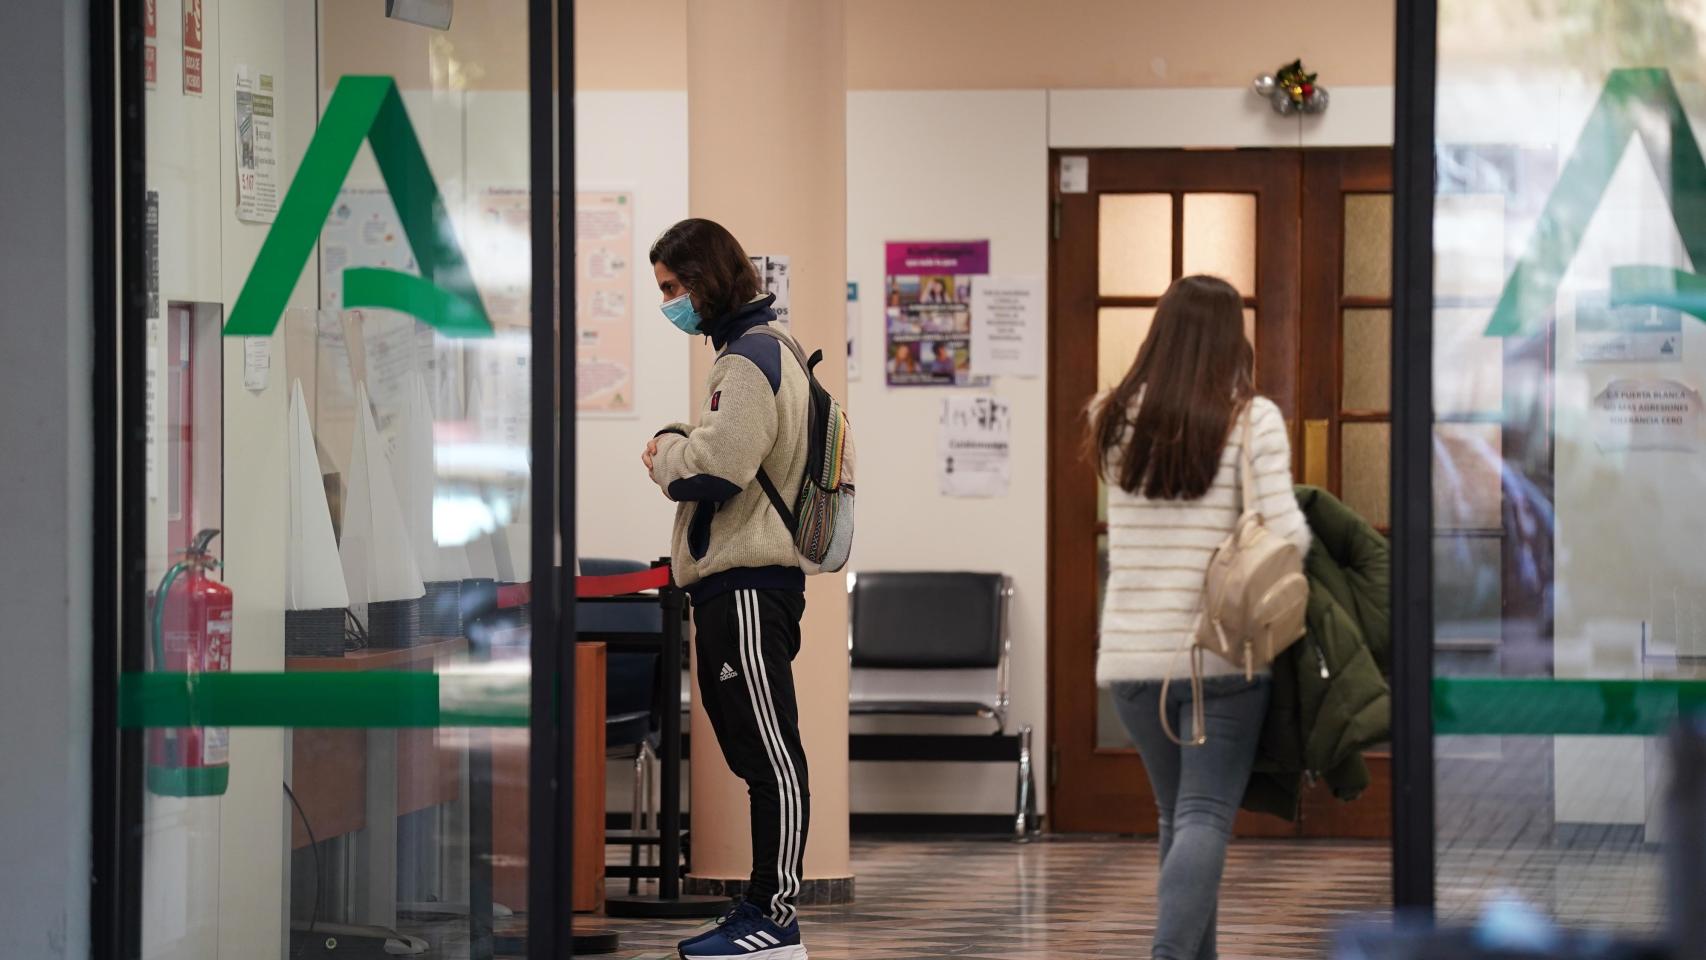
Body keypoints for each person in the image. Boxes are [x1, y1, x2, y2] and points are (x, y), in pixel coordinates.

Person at [1087, 275, 1310, 960]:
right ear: (1230, 339)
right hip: (1218, 658)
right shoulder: (1252, 419)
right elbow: (1289, 534)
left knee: (1176, 817)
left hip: (1130, 658)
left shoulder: (1113, 416)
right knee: (1206, 815)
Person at [642, 218, 812, 960]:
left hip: (746, 584)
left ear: (708, 278)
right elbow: (728, 445)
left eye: (675, 288)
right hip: (737, 586)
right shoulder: (763, 352)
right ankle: (758, 907)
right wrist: (690, 437)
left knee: (770, 752)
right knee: (754, 749)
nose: (672, 304)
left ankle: (775, 915)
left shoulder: (749, 359)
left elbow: (717, 469)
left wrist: (663, 452)